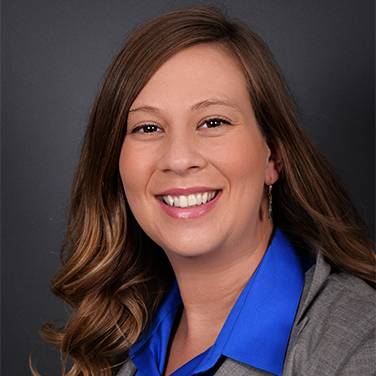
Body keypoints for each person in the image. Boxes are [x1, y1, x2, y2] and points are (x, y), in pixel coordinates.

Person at [32, 6, 375, 376]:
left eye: (213, 122)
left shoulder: (356, 346)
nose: (178, 159)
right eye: (147, 128)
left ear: (272, 157)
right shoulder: (118, 339)